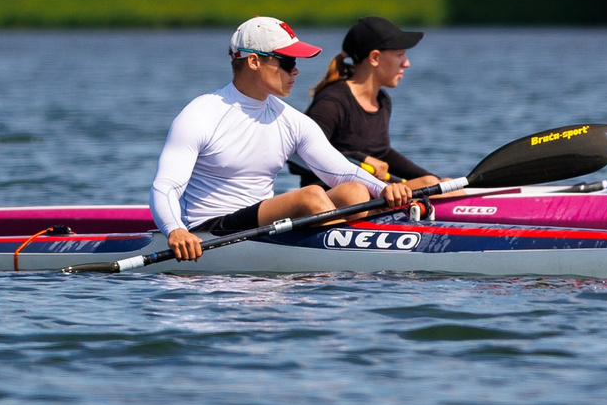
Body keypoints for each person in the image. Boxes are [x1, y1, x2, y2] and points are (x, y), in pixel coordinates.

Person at [152, 16, 416, 261]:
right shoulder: (201, 114)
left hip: (260, 223)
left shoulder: (291, 120)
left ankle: (363, 253)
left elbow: (340, 170)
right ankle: (351, 264)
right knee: (310, 196)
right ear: (254, 61)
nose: (296, 71)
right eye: (288, 62)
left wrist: (383, 189)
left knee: (355, 191)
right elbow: (165, 187)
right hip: (208, 231)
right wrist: (175, 230)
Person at [300, 16, 437, 186]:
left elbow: (383, 154)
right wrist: (362, 159)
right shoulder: (332, 102)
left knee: (431, 182)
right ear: (374, 58)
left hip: (370, 190)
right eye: (399, 55)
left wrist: (438, 181)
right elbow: (301, 156)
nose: (406, 63)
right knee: (426, 184)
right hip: (334, 195)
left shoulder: (382, 100)